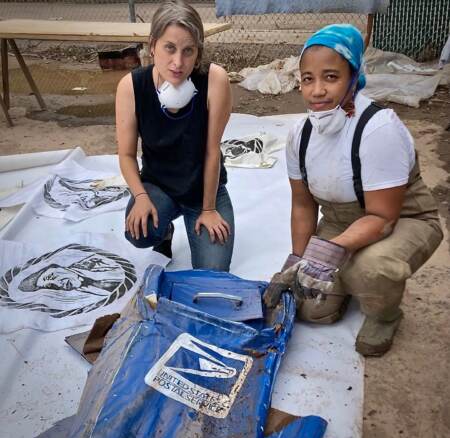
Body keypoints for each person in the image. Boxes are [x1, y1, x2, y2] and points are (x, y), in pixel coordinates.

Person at [263, 24, 443, 356]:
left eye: (330, 77)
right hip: (340, 219)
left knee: (371, 268)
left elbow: (382, 217)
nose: (317, 91)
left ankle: (384, 315)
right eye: (307, 79)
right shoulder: (299, 136)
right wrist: (299, 261)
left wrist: (329, 251)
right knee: (311, 309)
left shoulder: (377, 129)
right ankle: (344, 286)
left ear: (353, 76)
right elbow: (303, 206)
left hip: (403, 218)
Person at [116, 0, 234, 270]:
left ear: (198, 52)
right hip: (159, 186)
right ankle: (164, 231)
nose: (178, 62)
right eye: (169, 48)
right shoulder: (132, 86)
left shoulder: (214, 80)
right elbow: (125, 154)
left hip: (203, 190)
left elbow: (212, 150)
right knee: (140, 230)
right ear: (153, 44)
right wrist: (142, 197)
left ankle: (200, 211)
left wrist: (208, 209)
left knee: (212, 272)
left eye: (188, 51)